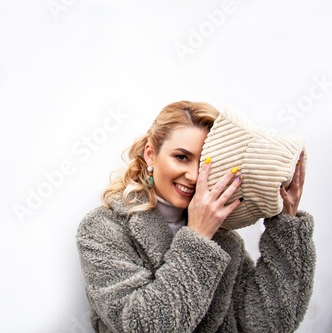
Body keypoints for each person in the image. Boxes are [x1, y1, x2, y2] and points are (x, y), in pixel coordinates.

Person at [75, 101, 315, 332]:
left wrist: (285, 223)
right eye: (181, 157)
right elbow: (144, 325)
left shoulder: (224, 241)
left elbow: (268, 324)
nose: (193, 175)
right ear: (150, 155)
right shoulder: (103, 229)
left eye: (205, 163)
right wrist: (198, 236)